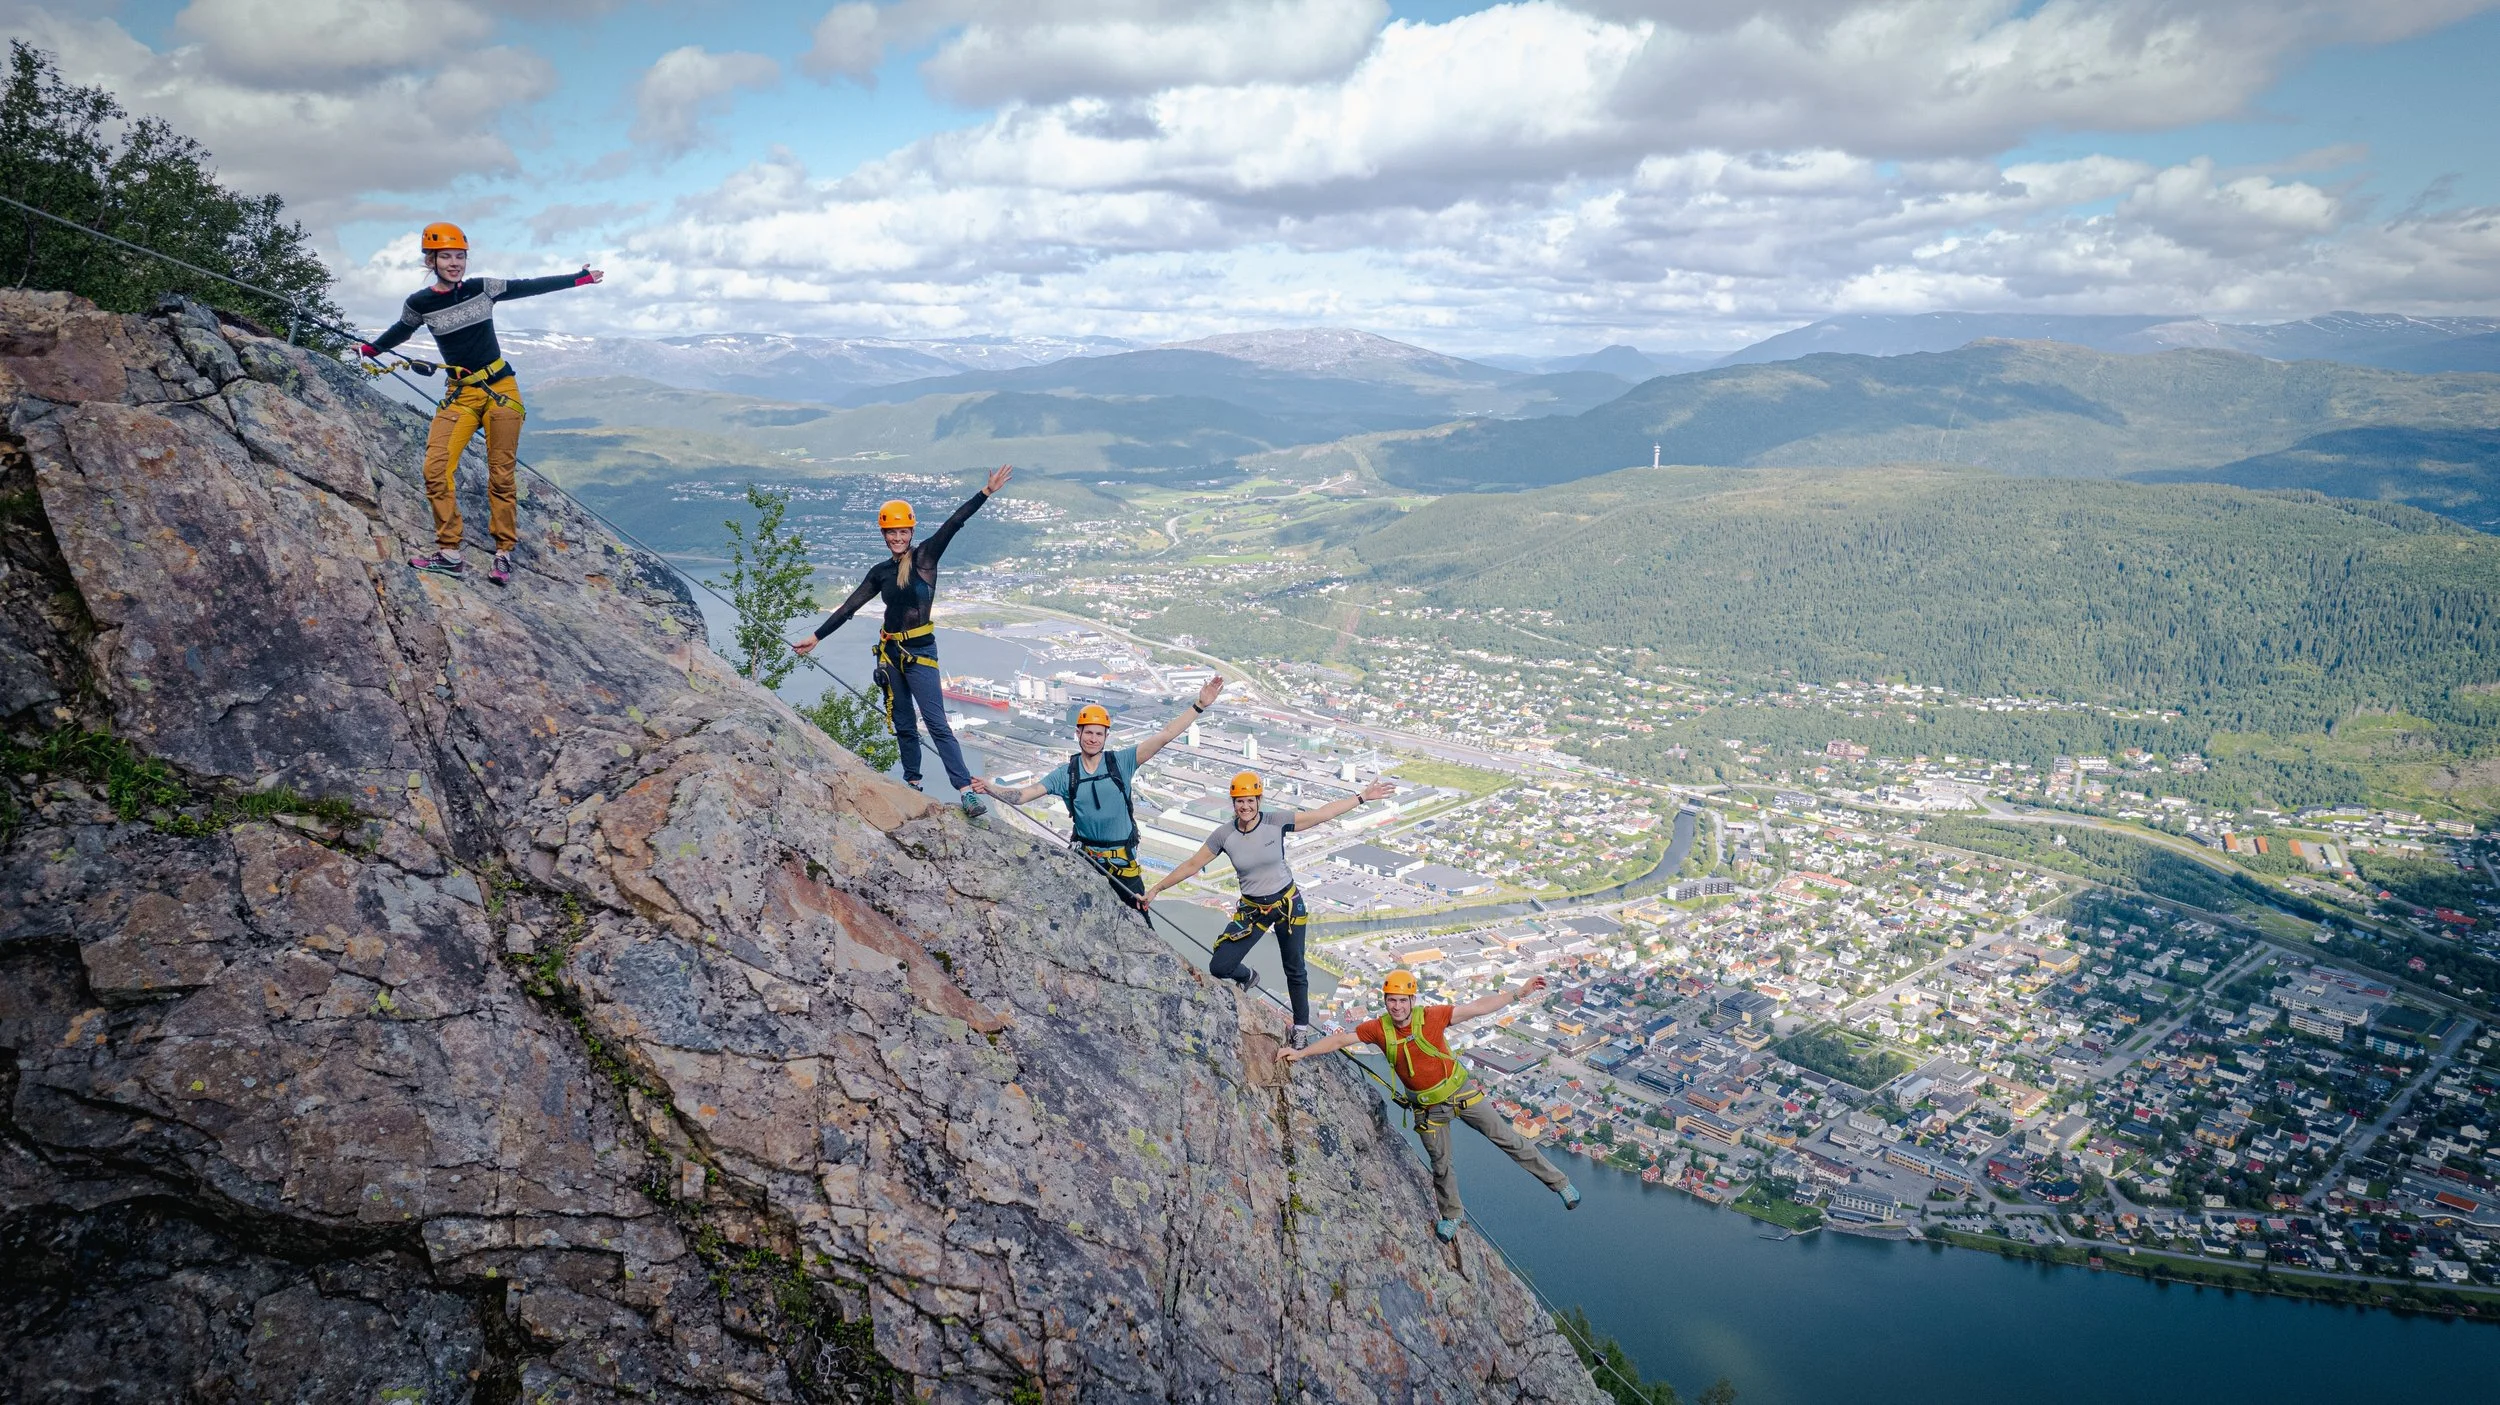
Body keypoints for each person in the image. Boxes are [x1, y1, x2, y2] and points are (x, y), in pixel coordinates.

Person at [360, 222, 603, 585]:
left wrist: (577, 279)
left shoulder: (482, 289)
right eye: (447, 257)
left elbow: (527, 286)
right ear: (432, 260)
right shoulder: (420, 303)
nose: (455, 263)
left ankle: (504, 552)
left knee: (501, 476)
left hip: (500, 388)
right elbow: (402, 329)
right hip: (460, 394)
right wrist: (369, 349)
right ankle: (449, 553)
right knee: (435, 469)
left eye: (460, 256)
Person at [1281, 971, 1578, 1241]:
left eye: (1401, 1000)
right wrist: (1301, 1053)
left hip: (1461, 1094)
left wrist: (1518, 993)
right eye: (1391, 1000)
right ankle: (1452, 1215)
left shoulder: (1433, 1016)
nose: (1396, 1006)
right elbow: (1339, 1041)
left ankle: (1560, 1183)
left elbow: (1478, 1008)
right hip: (1428, 1110)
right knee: (1441, 1166)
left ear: (1412, 1000)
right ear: (1385, 1001)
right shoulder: (1378, 1030)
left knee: (1509, 1139)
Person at [791, 466, 1013, 816]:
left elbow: (954, 524)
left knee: (938, 724)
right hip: (890, 652)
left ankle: (966, 790)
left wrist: (985, 493)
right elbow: (850, 606)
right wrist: (817, 637)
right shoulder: (880, 572)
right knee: (904, 724)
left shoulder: (925, 558)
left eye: (901, 530)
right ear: (884, 534)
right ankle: (912, 783)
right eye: (891, 532)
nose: (896, 537)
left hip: (920, 652)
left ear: (911, 530)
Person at [1141, 769, 1394, 1035]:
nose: (1246, 806)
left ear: (1259, 800)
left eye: (1251, 800)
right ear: (1233, 802)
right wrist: (1157, 888)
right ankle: (1248, 976)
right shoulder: (1223, 835)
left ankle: (1300, 1029)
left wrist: (1362, 797)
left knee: (1294, 968)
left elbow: (1322, 814)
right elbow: (1193, 864)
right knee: (1220, 966)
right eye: (1240, 801)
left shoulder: (1276, 821)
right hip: (1253, 910)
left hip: (1286, 904)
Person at [970, 676, 1227, 908]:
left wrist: (1199, 705)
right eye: (1088, 733)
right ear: (1078, 733)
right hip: (1085, 860)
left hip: (1123, 865)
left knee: (1139, 918)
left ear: (1106, 737)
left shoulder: (1121, 762)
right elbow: (1025, 795)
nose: (1093, 738)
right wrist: (992, 789)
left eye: (1098, 734)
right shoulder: (1066, 774)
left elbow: (1165, 735)